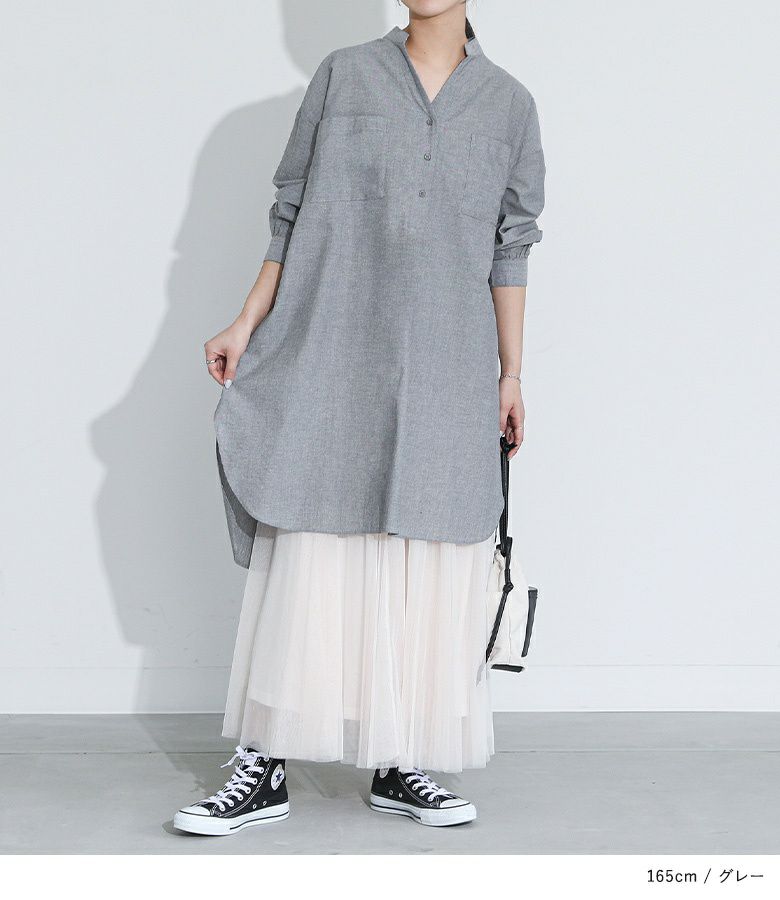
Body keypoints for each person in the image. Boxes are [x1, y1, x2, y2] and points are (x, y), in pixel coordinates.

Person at [173, 0, 544, 835]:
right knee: (315, 537)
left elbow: (511, 245)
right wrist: (246, 321)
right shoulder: (345, 77)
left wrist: (511, 372)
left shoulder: (510, 105)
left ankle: (399, 755)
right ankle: (264, 763)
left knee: (425, 546)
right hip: (334, 341)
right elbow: (292, 212)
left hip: (446, 363)